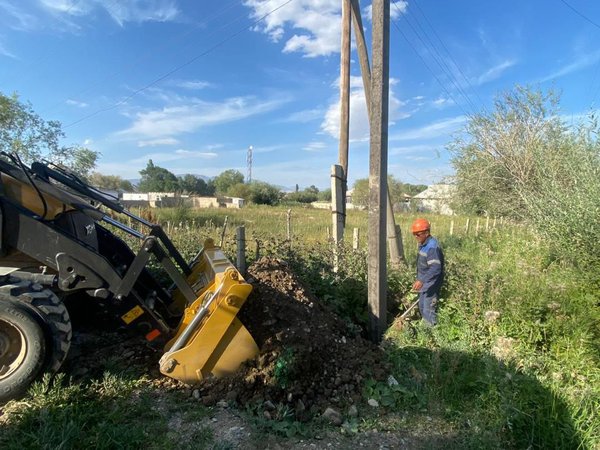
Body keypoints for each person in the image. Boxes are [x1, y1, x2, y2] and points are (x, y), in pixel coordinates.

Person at [411, 218, 444, 326]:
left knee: (428, 311)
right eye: (414, 234)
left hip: (431, 285)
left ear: (426, 233)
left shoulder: (432, 247)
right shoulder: (424, 244)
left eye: (418, 234)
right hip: (425, 284)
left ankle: (431, 337)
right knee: (422, 306)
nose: (416, 237)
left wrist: (421, 280)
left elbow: (435, 268)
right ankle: (426, 333)